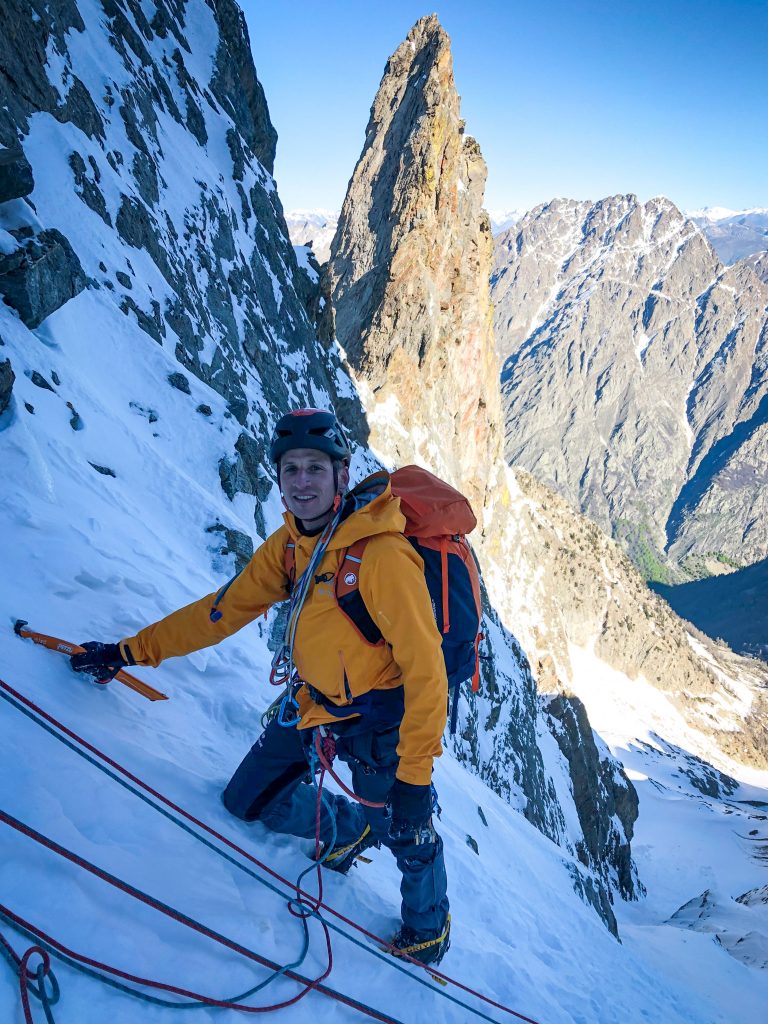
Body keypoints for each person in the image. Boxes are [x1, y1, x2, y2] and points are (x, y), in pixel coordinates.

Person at [71, 408, 451, 965]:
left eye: (314, 469)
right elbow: (219, 613)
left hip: (379, 720)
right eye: (290, 469)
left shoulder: (383, 558)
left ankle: (428, 931)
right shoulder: (292, 547)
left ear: (342, 475)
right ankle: (345, 829)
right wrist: (129, 651)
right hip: (313, 705)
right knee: (246, 802)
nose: (302, 482)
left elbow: (427, 673)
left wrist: (416, 777)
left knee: (407, 830)